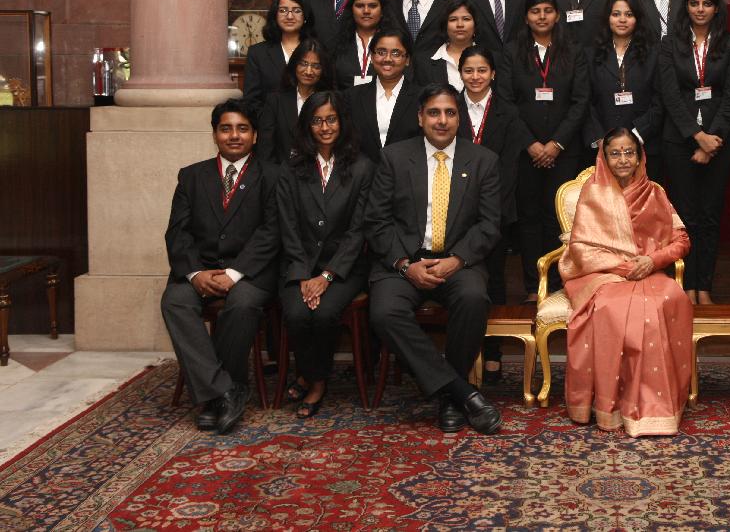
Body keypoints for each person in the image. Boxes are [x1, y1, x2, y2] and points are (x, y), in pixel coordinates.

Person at [366, 84, 504, 434]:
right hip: (403, 263)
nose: (442, 120)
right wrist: (404, 265)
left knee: (473, 298)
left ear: (459, 118)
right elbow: (377, 222)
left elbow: (489, 224)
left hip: (457, 262)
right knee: (384, 312)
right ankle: (458, 392)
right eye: (434, 113)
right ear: (420, 117)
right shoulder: (394, 158)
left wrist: (457, 259)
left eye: (450, 113)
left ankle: (450, 398)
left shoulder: (483, 160)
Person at [560, 128, 693, 436]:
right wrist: (623, 267)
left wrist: (652, 261)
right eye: (615, 153)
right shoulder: (593, 193)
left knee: (667, 300)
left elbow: (681, 240)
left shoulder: (654, 192)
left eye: (629, 153)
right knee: (613, 309)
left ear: (639, 157)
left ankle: (656, 407)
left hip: (648, 270)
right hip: (602, 274)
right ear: (604, 158)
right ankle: (612, 405)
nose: (622, 160)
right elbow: (580, 248)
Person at [161, 99, 281, 435]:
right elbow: (177, 232)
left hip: (250, 272)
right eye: (226, 128)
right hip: (200, 268)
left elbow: (272, 231)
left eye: (242, 129)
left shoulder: (273, 175)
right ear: (214, 134)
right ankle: (225, 391)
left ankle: (214, 397)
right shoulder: (191, 176)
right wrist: (195, 273)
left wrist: (234, 274)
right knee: (174, 301)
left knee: (242, 304)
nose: (234, 135)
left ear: (255, 135)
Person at [276, 90, 373, 418]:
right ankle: (313, 374)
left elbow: (358, 230)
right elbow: (287, 226)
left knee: (325, 313)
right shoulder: (291, 168)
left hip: (344, 266)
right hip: (299, 264)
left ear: (342, 122)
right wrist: (304, 275)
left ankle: (314, 383)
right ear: (307, 126)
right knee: (297, 314)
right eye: (317, 121)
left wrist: (327, 275)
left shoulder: (362, 167)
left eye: (331, 119)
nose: (325, 127)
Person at [659, 0, 730, 305]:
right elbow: (669, 95)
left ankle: (704, 285)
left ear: (716, 8)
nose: (700, 9)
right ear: (686, 7)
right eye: (694, 3)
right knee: (684, 216)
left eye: (706, 4)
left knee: (709, 216)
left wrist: (712, 141)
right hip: (678, 141)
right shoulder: (670, 44)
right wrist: (697, 137)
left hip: (720, 143)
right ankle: (685, 284)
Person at [508, 0, 591, 298]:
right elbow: (506, 102)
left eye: (547, 11)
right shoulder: (511, 52)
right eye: (535, 11)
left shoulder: (574, 51)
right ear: (526, 17)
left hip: (564, 151)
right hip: (525, 151)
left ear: (557, 15)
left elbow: (581, 101)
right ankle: (534, 286)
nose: (541, 17)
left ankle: (558, 283)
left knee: (559, 217)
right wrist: (530, 144)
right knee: (529, 218)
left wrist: (556, 143)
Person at [457, 45, 533, 381]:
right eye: (469, 71)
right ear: (460, 73)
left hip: (495, 211)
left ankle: (493, 354)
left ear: (493, 74)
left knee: (495, 279)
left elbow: (509, 167)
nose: (475, 77)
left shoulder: (507, 111)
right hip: (454, 211)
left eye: (481, 70)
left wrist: (488, 208)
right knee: (459, 282)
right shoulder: (450, 107)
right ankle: (462, 353)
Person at [585, 0, 663, 183]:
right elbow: (584, 101)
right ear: (608, 18)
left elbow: (660, 100)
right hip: (602, 146)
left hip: (644, 144)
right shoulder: (590, 54)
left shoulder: (654, 54)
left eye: (629, 14)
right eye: (616, 14)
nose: (622, 20)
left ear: (637, 19)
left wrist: (635, 136)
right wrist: (602, 139)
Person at [350, 28, 420, 164]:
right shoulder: (352, 97)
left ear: (407, 60)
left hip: (408, 173)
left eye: (396, 53)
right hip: (363, 174)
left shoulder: (421, 98)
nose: (387, 59)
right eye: (381, 52)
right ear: (371, 57)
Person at [257, 39, 334, 164]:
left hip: (320, 171)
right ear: (294, 65)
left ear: (323, 70)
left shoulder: (331, 102)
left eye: (316, 66)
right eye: (303, 64)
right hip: (282, 172)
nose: (308, 71)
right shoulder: (275, 101)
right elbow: (265, 150)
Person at [243, 0, 316, 114]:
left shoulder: (316, 50)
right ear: (275, 16)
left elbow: (327, 93)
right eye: (283, 10)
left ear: (305, 16)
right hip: (270, 124)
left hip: (311, 122)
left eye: (297, 10)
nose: (289, 16)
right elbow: (251, 101)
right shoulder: (258, 53)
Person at [413, 0, 505, 94]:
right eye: (453, 19)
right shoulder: (423, 62)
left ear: (475, 24)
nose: (460, 25)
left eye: (466, 19)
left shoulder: (494, 58)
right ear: (445, 25)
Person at [333, 0, 389, 88]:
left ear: (382, 10)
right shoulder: (337, 42)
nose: (366, 11)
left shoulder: (394, 42)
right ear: (351, 9)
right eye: (360, 6)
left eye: (372, 6)